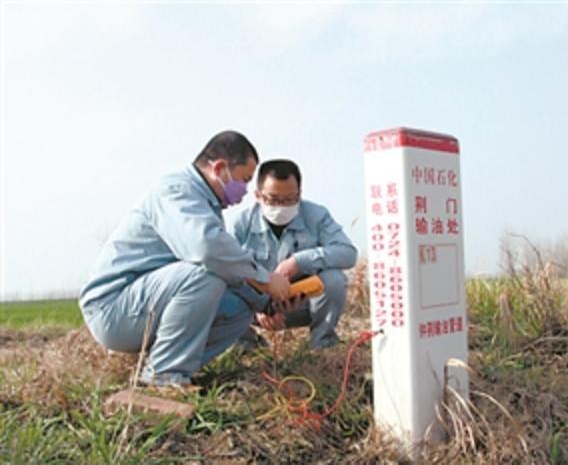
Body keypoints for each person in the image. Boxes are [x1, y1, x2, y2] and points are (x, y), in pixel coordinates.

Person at [79, 130, 290, 387]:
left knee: (238, 310)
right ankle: (164, 377)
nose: (244, 191)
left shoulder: (205, 205)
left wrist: (264, 303)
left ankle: (169, 366)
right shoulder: (176, 191)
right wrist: (265, 278)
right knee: (206, 272)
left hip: (145, 304)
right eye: (243, 180)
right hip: (113, 309)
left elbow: (227, 270)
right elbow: (207, 251)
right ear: (219, 168)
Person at [228, 159, 358, 350]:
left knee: (334, 279)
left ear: (299, 194)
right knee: (217, 288)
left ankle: (323, 345)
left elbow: (348, 253)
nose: (281, 206)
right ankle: (247, 348)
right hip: (254, 309)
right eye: (273, 200)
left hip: (303, 304)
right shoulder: (241, 224)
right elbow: (227, 269)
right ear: (258, 196)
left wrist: (299, 261)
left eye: (290, 199)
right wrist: (260, 304)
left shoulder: (317, 215)